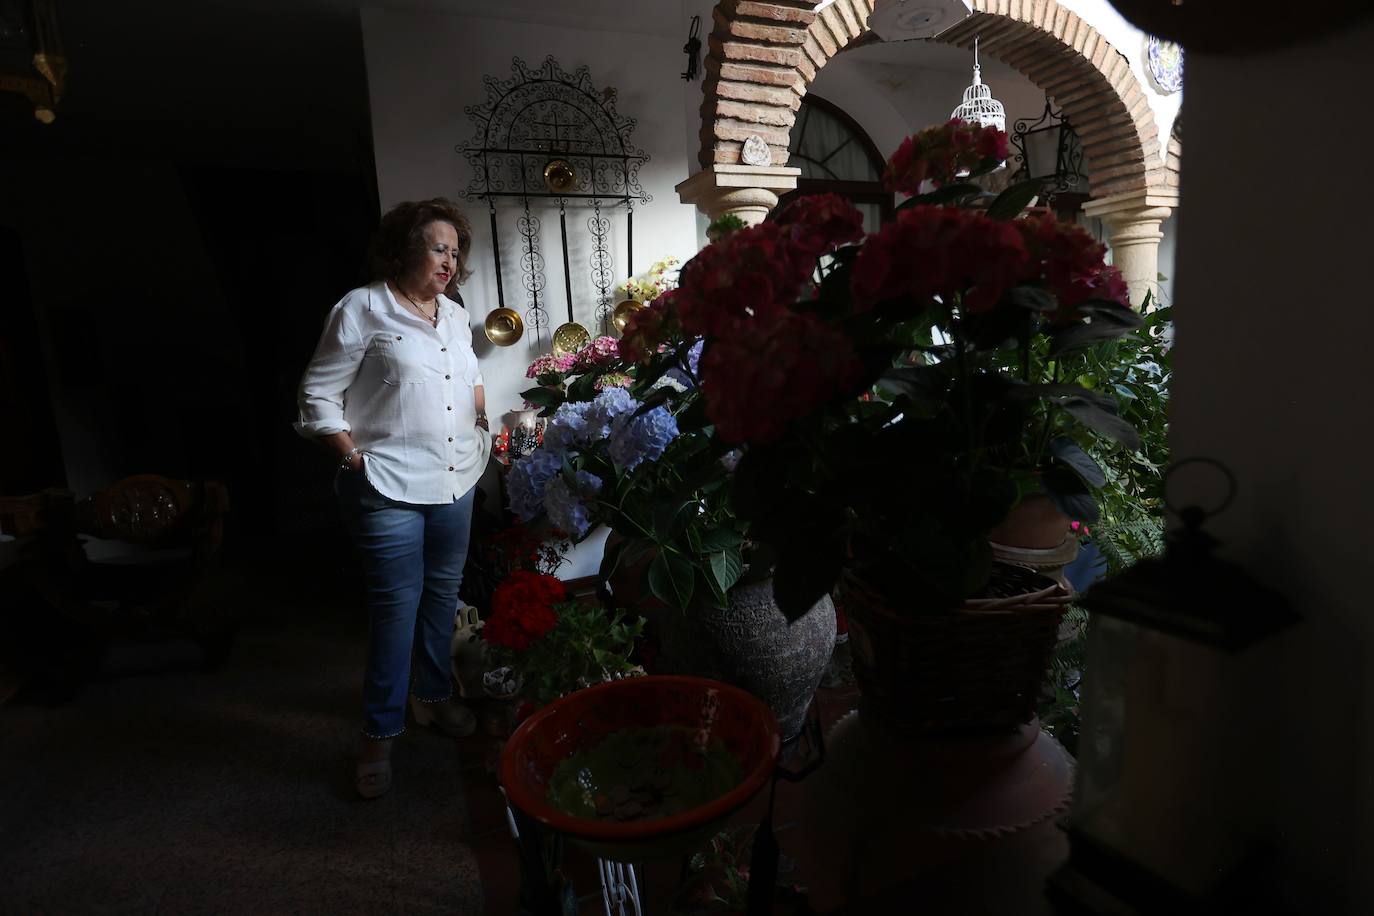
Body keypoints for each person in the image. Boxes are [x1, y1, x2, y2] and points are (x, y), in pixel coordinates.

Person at [295, 198, 490, 799]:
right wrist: (353, 457)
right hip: (385, 485)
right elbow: (317, 395)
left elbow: (470, 381)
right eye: (438, 248)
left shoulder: (453, 314)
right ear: (404, 248)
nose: (449, 261)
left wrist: (485, 423)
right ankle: (379, 735)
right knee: (395, 610)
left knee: (442, 600)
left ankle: (431, 700)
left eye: (455, 252)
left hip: (456, 480)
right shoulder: (362, 308)